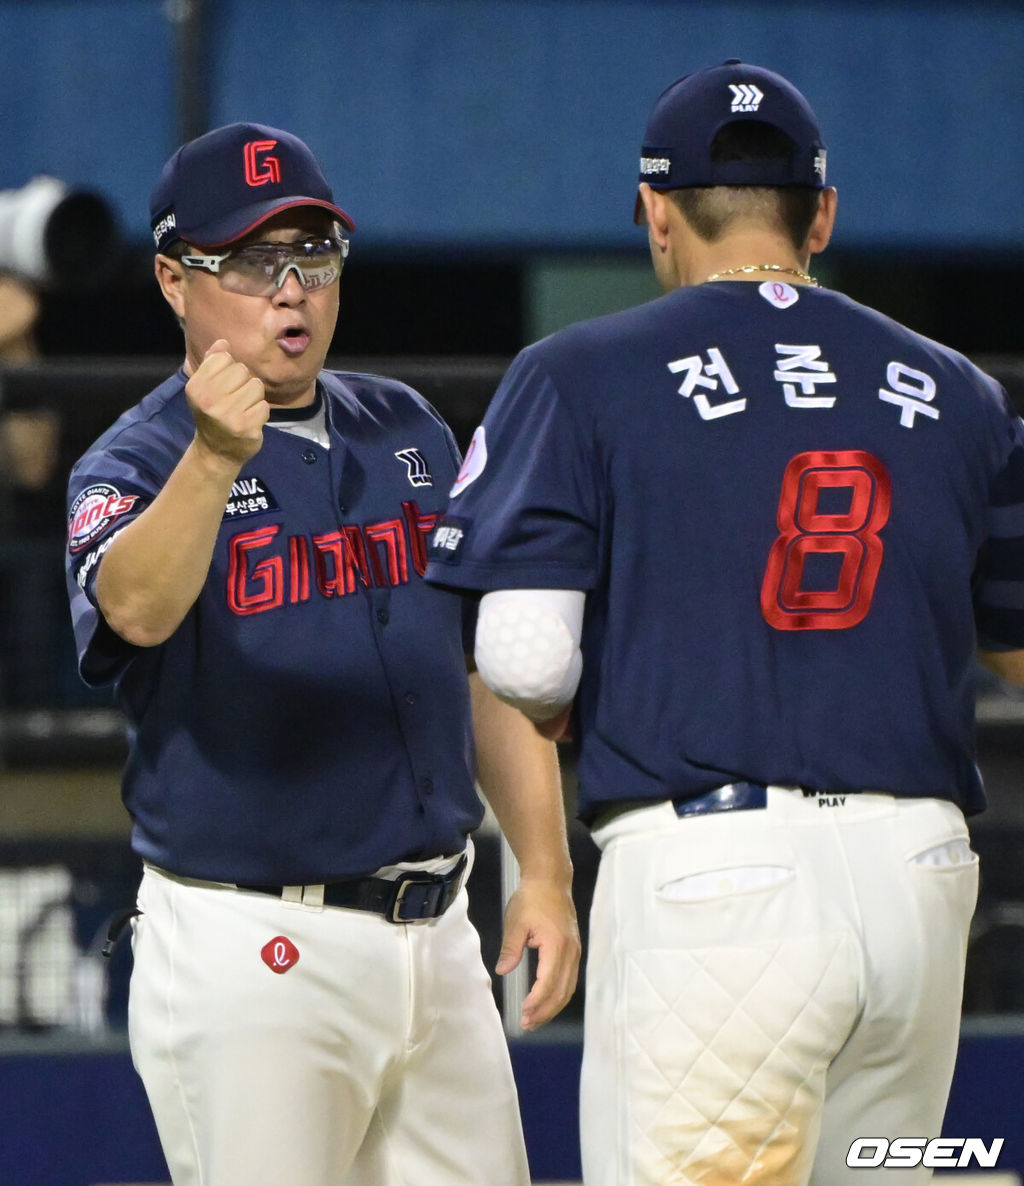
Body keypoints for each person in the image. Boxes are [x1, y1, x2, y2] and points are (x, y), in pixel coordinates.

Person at [424, 60, 1024, 1185]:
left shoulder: (579, 371)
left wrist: (572, 717)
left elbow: (521, 650)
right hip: (921, 876)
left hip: (717, 879)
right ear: (822, 215)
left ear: (654, 211)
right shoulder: (956, 389)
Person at [64, 121, 579, 1186]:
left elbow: (473, 665)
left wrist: (546, 868)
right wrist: (214, 460)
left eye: (315, 254)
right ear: (173, 279)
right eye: (253, 260)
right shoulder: (137, 457)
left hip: (439, 934)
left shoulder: (407, 427)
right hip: (256, 948)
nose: (291, 288)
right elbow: (136, 610)